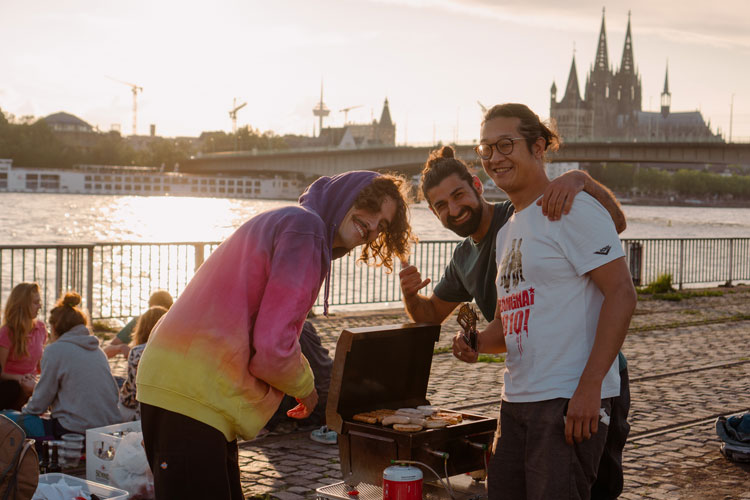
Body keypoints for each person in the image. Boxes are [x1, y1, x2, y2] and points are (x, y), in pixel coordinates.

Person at [136, 170, 414, 499]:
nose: (373, 225)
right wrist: (306, 388)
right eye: (369, 206)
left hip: (195, 390)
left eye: (383, 225)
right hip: (190, 393)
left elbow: (272, 330)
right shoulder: (306, 230)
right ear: (345, 196)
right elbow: (271, 347)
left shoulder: (298, 225)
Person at [400, 149, 630, 499]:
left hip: (587, 374)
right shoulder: (464, 256)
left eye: (458, 195)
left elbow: (613, 224)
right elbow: (434, 316)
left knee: (596, 490)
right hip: (530, 386)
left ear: (477, 185)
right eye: (441, 205)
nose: (453, 209)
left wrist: (581, 180)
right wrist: (413, 298)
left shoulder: (520, 213)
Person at [450, 103, 636, 500]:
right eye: (485, 149)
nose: (494, 158)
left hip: (567, 400)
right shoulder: (507, 231)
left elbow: (621, 293)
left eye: (505, 145)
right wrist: (477, 344)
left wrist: (589, 389)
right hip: (516, 400)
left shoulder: (571, 206)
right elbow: (509, 323)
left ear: (538, 147)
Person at [22, 291, 121, 438]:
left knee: (16, 420)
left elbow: (40, 403)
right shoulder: (97, 350)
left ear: (55, 327)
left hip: (74, 431)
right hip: (108, 431)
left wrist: (25, 408)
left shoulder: (54, 350)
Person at [0, 282, 47, 410]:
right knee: (12, 388)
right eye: (35, 302)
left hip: (30, 383)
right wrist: (20, 378)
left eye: (39, 301)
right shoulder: (6, 333)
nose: (40, 306)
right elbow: (1, 373)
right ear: (23, 305)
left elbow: (40, 367)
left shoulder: (41, 328)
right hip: (11, 386)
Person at [118, 305, 169, 421]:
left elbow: (132, 396)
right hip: (165, 413)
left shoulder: (137, 352)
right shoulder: (175, 352)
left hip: (141, 416)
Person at [103, 289, 173, 359]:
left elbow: (106, 352)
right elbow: (107, 350)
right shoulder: (142, 320)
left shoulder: (141, 321)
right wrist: (121, 348)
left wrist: (122, 348)